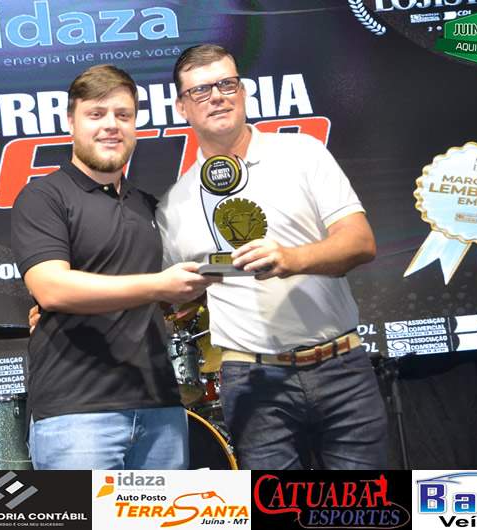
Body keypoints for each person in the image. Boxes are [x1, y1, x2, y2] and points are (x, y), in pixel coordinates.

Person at [154, 44, 388, 469]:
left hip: (340, 365)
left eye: (227, 84)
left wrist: (290, 259)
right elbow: (173, 297)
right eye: (201, 90)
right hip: (252, 380)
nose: (217, 96)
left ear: (243, 92)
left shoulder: (302, 153)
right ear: (182, 107)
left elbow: (360, 242)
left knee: (362, 502)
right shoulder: (174, 204)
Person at [11, 64, 217, 470]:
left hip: (160, 408)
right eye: (96, 114)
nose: (111, 125)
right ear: (71, 121)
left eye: (123, 115)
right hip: (77, 413)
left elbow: (174, 295)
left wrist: (192, 291)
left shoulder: (149, 206)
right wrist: (157, 286)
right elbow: (51, 288)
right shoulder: (44, 197)